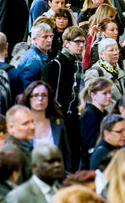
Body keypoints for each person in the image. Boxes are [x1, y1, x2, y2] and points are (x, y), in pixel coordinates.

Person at [42, 26, 85, 171]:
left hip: (74, 116)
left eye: (83, 42)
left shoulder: (77, 63)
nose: (81, 45)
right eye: (77, 42)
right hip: (61, 116)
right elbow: (49, 92)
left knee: (74, 154)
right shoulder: (57, 64)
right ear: (66, 43)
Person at [20, 81, 72, 171]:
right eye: (35, 95)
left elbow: (66, 154)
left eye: (44, 95)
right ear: (28, 98)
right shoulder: (21, 124)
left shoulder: (58, 123)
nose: (40, 99)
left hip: (55, 178)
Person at [79, 77, 113, 169]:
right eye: (104, 93)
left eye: (109, 92)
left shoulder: (104, 113)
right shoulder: (90, 115)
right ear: (93, 96)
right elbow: (90, 146)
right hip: (92, 164)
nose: (109, 96)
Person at [84, 38, 125, 109]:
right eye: (111, 50)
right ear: (101, 54)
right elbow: (89, 99)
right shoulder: (94, 72)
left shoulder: (119, 71)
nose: (115, 53)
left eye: (116, 49)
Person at [0, 105, 36, 185]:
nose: (32, 127)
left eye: (32, 121)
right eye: (25, 123)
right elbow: (15, 190)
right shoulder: (11, 152)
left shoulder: (24, 146)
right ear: (11, 127)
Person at [17, 23, 53, 88]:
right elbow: (28, 88)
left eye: (51, 36)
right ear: (34, 40)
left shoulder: (40, 55)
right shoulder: (33, 60)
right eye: (45, 37)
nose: (49, 40)